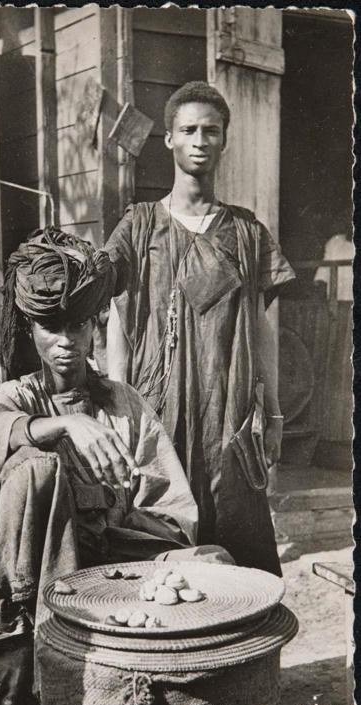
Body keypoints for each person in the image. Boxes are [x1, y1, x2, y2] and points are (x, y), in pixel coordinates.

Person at [0, 228, 232, 705]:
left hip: (108, 571)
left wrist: (126, 538)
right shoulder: (10, 399)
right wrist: (62, 425)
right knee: (38, 469)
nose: (66, 341)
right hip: (25, 584)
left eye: (79, 325)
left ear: (96, 325)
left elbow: (171, 512)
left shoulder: (125, 404)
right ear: (30, 329)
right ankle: (37, 650)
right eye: (51, 327)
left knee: (216, 564)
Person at [105, 82, 295, 576]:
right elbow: (118, 321)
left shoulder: (248, 233)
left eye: (211, 131)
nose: (200, 140)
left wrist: (274, 413)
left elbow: (260, 328)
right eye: (188, 130)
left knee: (239, 552)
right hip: (157, 412)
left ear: (224, 140)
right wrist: (119, 411)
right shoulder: (139, 226)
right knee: (160, 550)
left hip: (227, 415)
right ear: (169, 138)